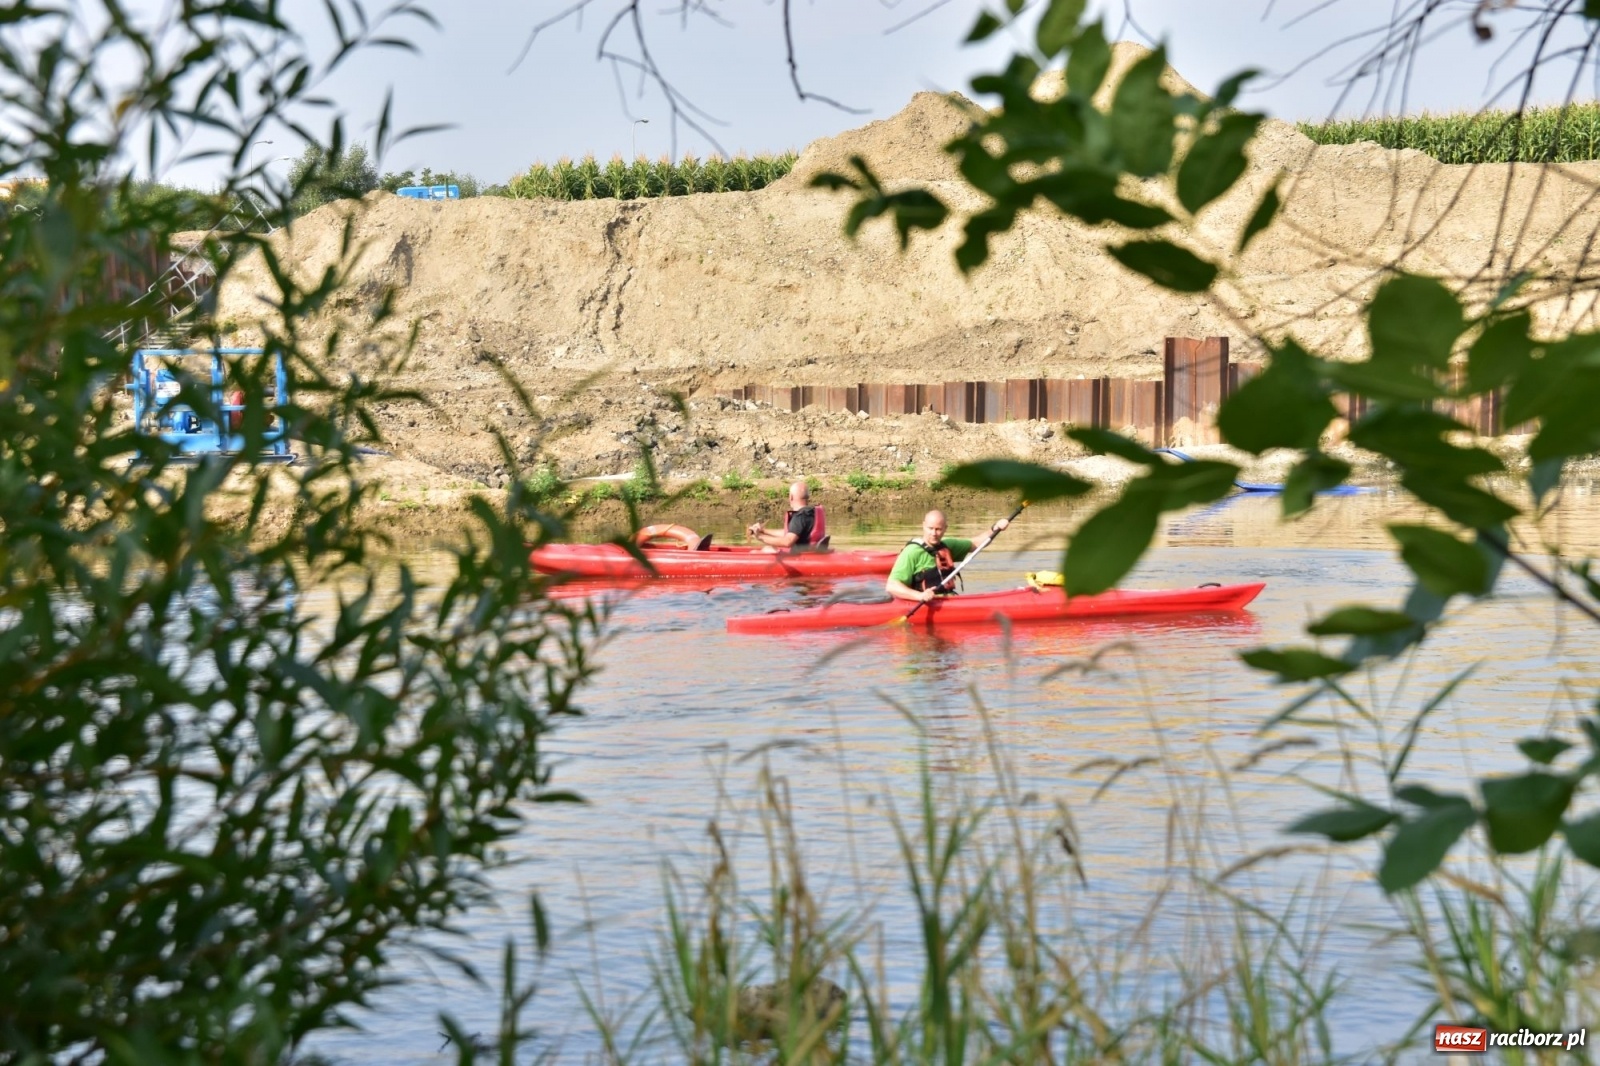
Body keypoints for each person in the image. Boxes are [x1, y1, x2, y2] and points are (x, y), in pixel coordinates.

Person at [885, 509, 1009, 604]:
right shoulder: (911, 552)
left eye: (938, 529)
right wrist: (920, 596)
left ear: (945, 528)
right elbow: (892, 586)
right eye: (930, 528)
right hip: (926, 603)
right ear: (923, 526)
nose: (934, 533)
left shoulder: (948, 545)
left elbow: (977, 543)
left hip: (951, 601)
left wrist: (995, 528)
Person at [747, 480, 827, 552]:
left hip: (802, 558)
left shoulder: (800, 516)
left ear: (791, 497)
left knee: (756, 552)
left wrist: (760, 537)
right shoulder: (811, 512)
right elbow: (792, 533)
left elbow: (787, 542)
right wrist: (763, 531)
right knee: (768, 549)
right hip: (810, 552)